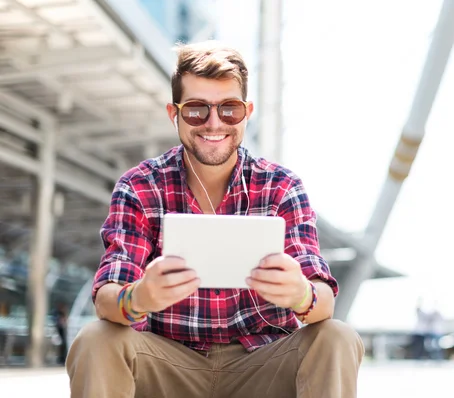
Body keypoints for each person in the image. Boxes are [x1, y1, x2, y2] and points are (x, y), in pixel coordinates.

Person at [66, 41, 364, 398]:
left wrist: (301, 295)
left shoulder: (281, 186)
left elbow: (324, 301)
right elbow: (107, 299)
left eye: (229, 109)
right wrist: (139, 298)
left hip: (263, 366)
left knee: (337, 336)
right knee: (96, 339)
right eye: (195, 109)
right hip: (168, 365)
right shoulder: (140, 186)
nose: (213, 123)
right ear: (173, 113)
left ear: (247, 112)